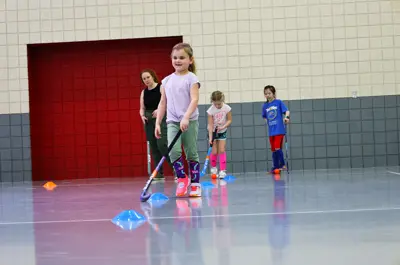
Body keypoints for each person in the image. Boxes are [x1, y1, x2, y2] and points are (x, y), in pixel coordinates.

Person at [155, 42, 201, 197]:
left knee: (191, 152)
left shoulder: (191, 78)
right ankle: (182, 178)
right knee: (173, 151)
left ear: (190, 60)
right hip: (173, 121)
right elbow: (163, 102)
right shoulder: (166, 81)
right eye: (175, 57)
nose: (178, 60)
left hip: (190, 120)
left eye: (182, 57)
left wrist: (186, 117)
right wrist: (157, 122)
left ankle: (195, 184)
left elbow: (194, 100)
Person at [139, 69, 175, 181]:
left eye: (148, 77)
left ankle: (177, 169)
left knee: (162, 144)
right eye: (144, 79)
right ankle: (159, 173)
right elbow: (142, 108)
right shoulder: (144, 92)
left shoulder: (160, 87)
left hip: (161, 117)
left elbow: (166, 102)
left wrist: (158, 110)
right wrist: (142, 115)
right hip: (149, 120)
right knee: (153, 147)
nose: (146, 80)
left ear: (153, 76)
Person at [262, 85, 290, 173]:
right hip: (271, 131)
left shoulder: (278, 102)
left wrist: (287, 117)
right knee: (273, 149)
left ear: (274, 94)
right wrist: (267, 121)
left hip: (279, 130)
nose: (267, 95)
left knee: (278, 147)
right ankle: (275, 167)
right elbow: (264, 116)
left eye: (269, 93)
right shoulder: (265, 106)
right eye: (266, 94)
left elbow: (287, 111)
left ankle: (282, 165)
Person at [206, 91, 232, 179]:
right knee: (214, 151)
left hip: (222, 131)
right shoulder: (210, 111)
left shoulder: (227, 108)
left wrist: (224, 126)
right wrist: (210, 137)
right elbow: (210, 125)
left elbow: (229, 120)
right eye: (215, 104)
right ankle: (213, 169)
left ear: (222, 100)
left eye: (219, 104)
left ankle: (222, 170)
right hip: (212, 132)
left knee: (221, 150)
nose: (217, 106)